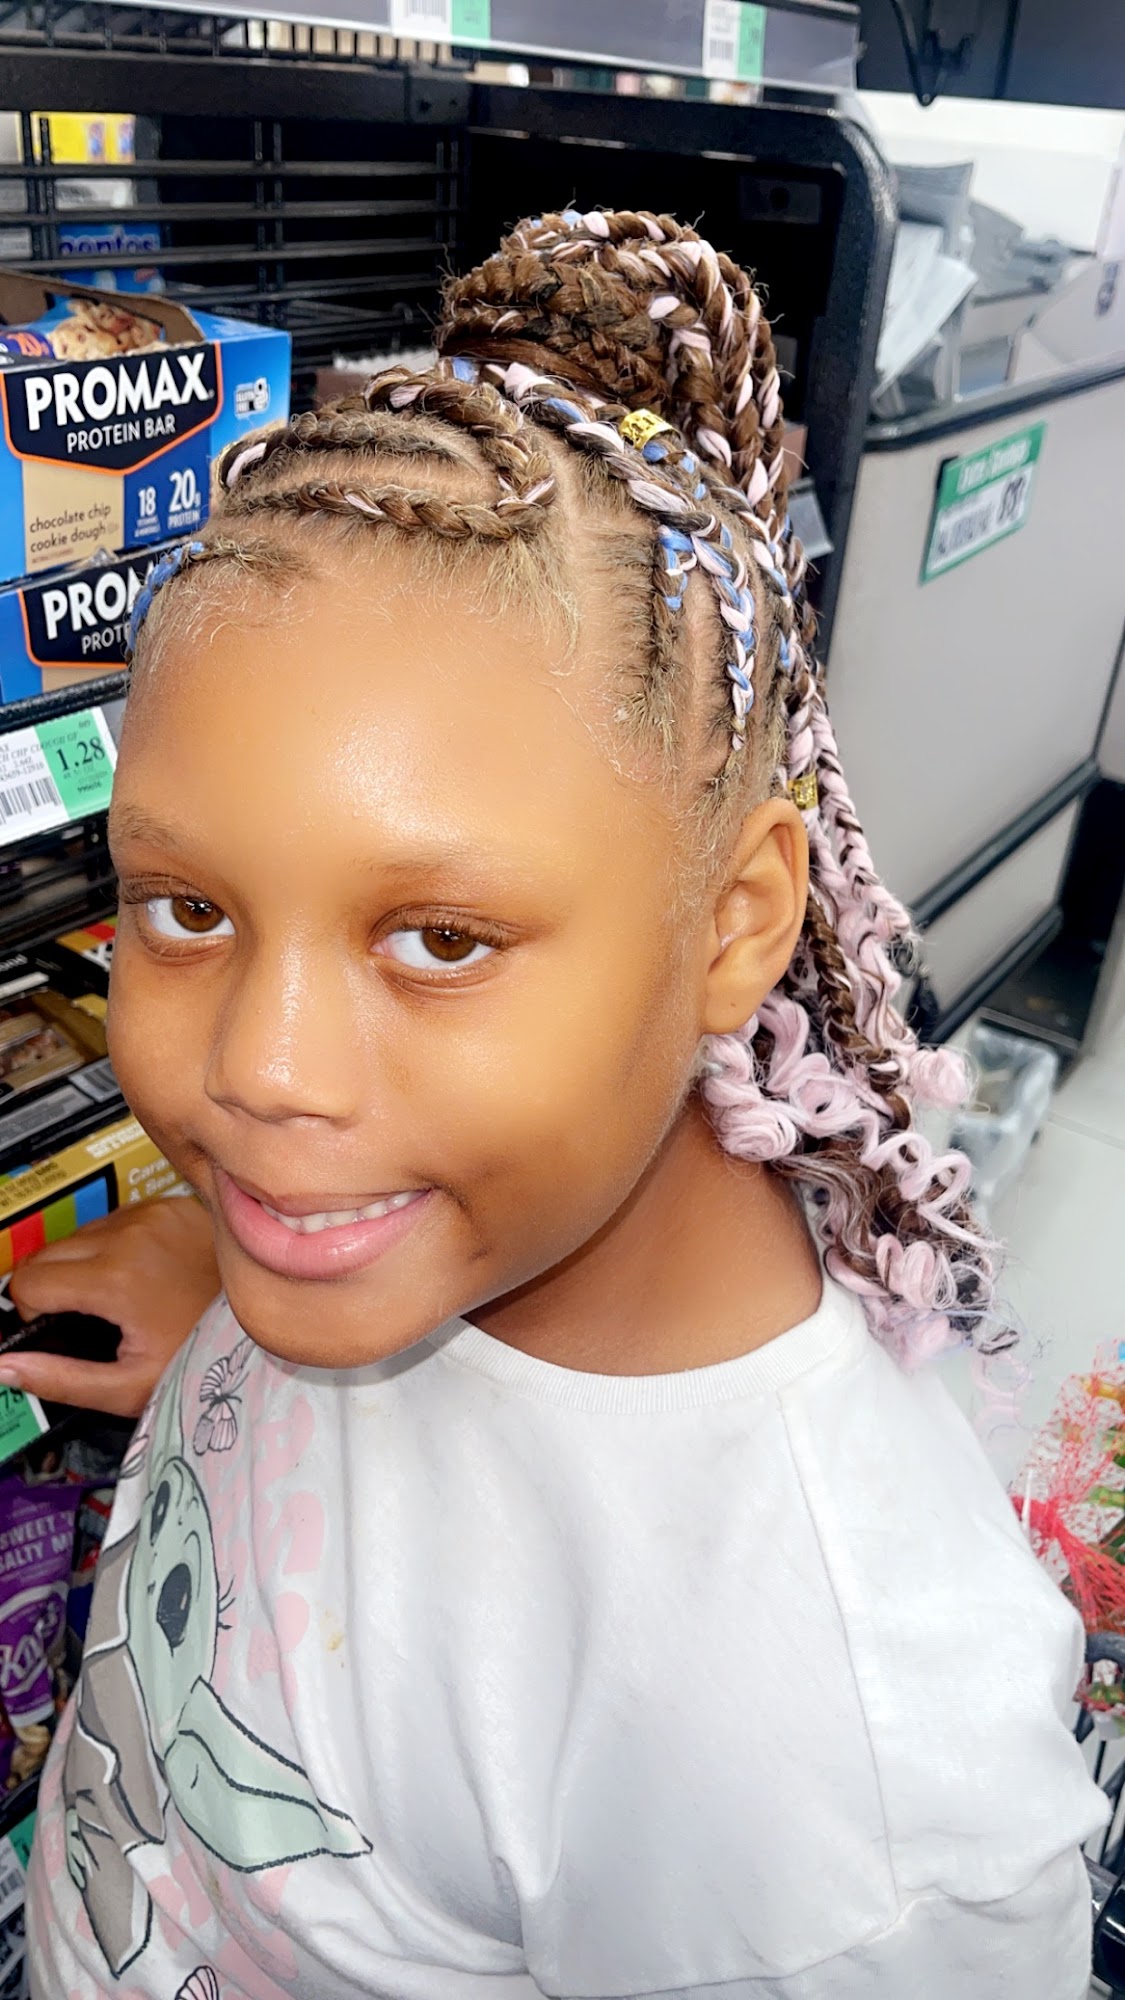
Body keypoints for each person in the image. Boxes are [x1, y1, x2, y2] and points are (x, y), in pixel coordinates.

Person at [16, 208, 1106, 2000]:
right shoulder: (420, 1227)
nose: (257, 1072)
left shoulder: (836, 1818)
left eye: (439, 939)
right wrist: (230, 1300)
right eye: (189, 909)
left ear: (732, 927)